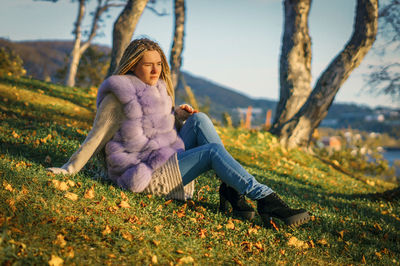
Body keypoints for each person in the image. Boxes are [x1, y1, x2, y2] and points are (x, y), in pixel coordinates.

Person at [48, 38, 310, 227]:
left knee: (200, 120)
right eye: (147, 65)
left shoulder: (156, 90)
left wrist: (175, 117)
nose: (154, 71)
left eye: (158, 64)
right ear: (132, 66)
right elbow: (96, 136)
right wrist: (69, 169)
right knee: (212, 152)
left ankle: (232, 192)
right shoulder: (117, 98)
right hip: (143, 176)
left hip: (159, 160)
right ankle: (264, 198)